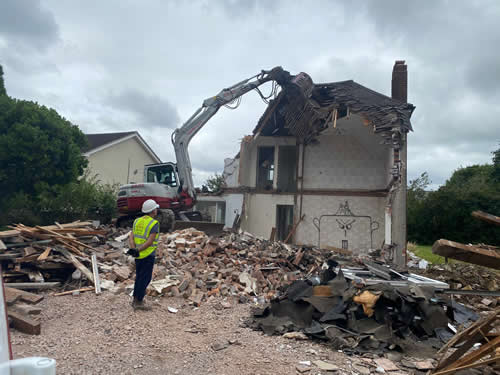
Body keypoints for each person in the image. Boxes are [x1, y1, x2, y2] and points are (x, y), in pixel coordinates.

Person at [128, 199, 160, 310]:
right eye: (156, 208)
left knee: (139, 277)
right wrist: (139, 250)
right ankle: (139, 302)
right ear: (152, 211)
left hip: (138, 256)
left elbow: (131, 236)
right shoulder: (154, 224)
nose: (157, 210)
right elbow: (150, 241)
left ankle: (135, 299)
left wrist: (133, 249)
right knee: (145, 278)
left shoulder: (137, 221)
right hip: (147, 255)